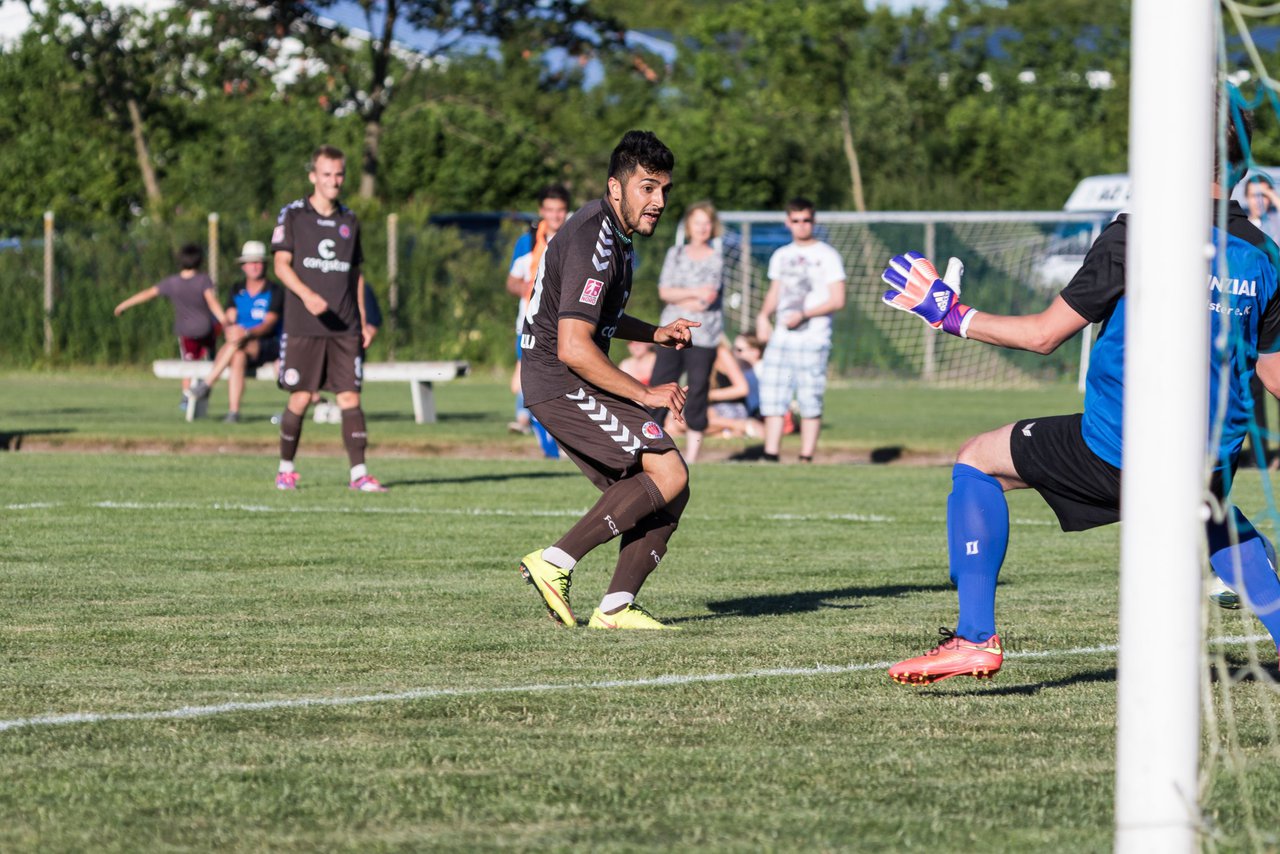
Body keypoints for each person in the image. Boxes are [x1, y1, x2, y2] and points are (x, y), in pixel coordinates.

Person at [879, 102, 1280, 686]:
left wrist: (950, 313)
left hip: (1120, 448)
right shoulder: (1267, 257)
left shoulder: (1138, 234)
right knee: (1209, 509)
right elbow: (1273, 375)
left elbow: (1044, 337)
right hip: (1211, 453)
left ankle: (973, 639)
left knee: (978, 459)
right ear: (1243, 165)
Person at [515, 129, 697, 630]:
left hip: (570, 376)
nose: (659, 201)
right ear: (615, 187)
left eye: (664, 190)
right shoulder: (595, 239)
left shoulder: (615, 235)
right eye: (647, 188)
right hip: (560, 378)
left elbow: (597, 319)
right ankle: (556, 561)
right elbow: (574, 345)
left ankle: (615, 607)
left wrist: (656, 333)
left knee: (669, 486)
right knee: (668, 471)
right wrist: (644, 391)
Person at [271, 144, 386, 492]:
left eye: (339, 175)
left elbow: (355, 274)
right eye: (326, 174)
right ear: (313, 177)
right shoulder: (293, 215)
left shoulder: (349, 219)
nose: (334, 181)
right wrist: (307, 296)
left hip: (345, 326)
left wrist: (364, 318)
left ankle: (359, 474)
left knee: (349, 397)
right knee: (301, 397)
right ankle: (285, 469)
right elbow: (280, 265)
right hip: (304, 326)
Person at [755, 198, 847, 463]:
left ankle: (806, 457)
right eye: (796, 220)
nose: (801, 225)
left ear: (813, 222)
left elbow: (837, 299)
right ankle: (770, 453)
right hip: (782, 336)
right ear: (788, 223)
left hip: (813, 337)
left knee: (809, 396)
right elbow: (775, 292)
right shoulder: (781, 255)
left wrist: (805, 314)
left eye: (806, 220)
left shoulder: (827, 255)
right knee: (773, 395)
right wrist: (763, 316)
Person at [647, 201, 725, 463]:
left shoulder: (716, 257)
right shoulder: (676, 253)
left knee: (698, 388)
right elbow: (664, 291)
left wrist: (681, 298)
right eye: (697, 222)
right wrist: (692, 294)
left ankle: (692, 455)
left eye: (706, 223)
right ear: (688, 226)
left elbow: (708, 298)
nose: (702, 228)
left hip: (704, 335)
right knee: (660, 383)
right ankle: (647, 444)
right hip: (672, 330)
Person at [113, 243, 227, 409]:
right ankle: (205, 386)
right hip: (206, 330)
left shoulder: (172, 282)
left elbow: (148, 294)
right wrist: (225, 321)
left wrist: (124, 305)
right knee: (209, 361)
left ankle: (186, 397)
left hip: (186, 332)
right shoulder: (203, 280)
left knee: (188, 362)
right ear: (199, 260)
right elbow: (212, 302)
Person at [507, 185, 572, 460]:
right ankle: (547, 443)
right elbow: (511, 281)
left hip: (565, 324)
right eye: (550, 210)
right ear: (542, 211)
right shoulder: (529, 241)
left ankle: (554, 436)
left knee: (561, 381)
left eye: (560, 210)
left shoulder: (576, 238)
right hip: (531, 325)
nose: (555, 215)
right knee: (526, 383)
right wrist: (528, 288)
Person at [186, 241, 283, 423]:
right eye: (250, 262)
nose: (254, 266)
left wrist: (245, 333)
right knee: (237, 354)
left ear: (264, 264)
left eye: (258, 262)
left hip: (268, 344)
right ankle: (233, 412)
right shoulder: (236, 289)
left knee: (237, 342)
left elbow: (268, 325)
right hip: (239, 344)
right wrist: (230, 329)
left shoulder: (275, 291)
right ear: (243, 266)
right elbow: (229, 318)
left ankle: (207, 384)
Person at [1244, 174, 1280, 469]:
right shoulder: (1240, 227)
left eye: (1263, 195)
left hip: (1275, 316)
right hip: (1249, 318)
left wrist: (1274, 198)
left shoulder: (1275, 224)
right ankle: (1258, 455)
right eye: (1254, 194)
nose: (1259, 200)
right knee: (1252, 387)